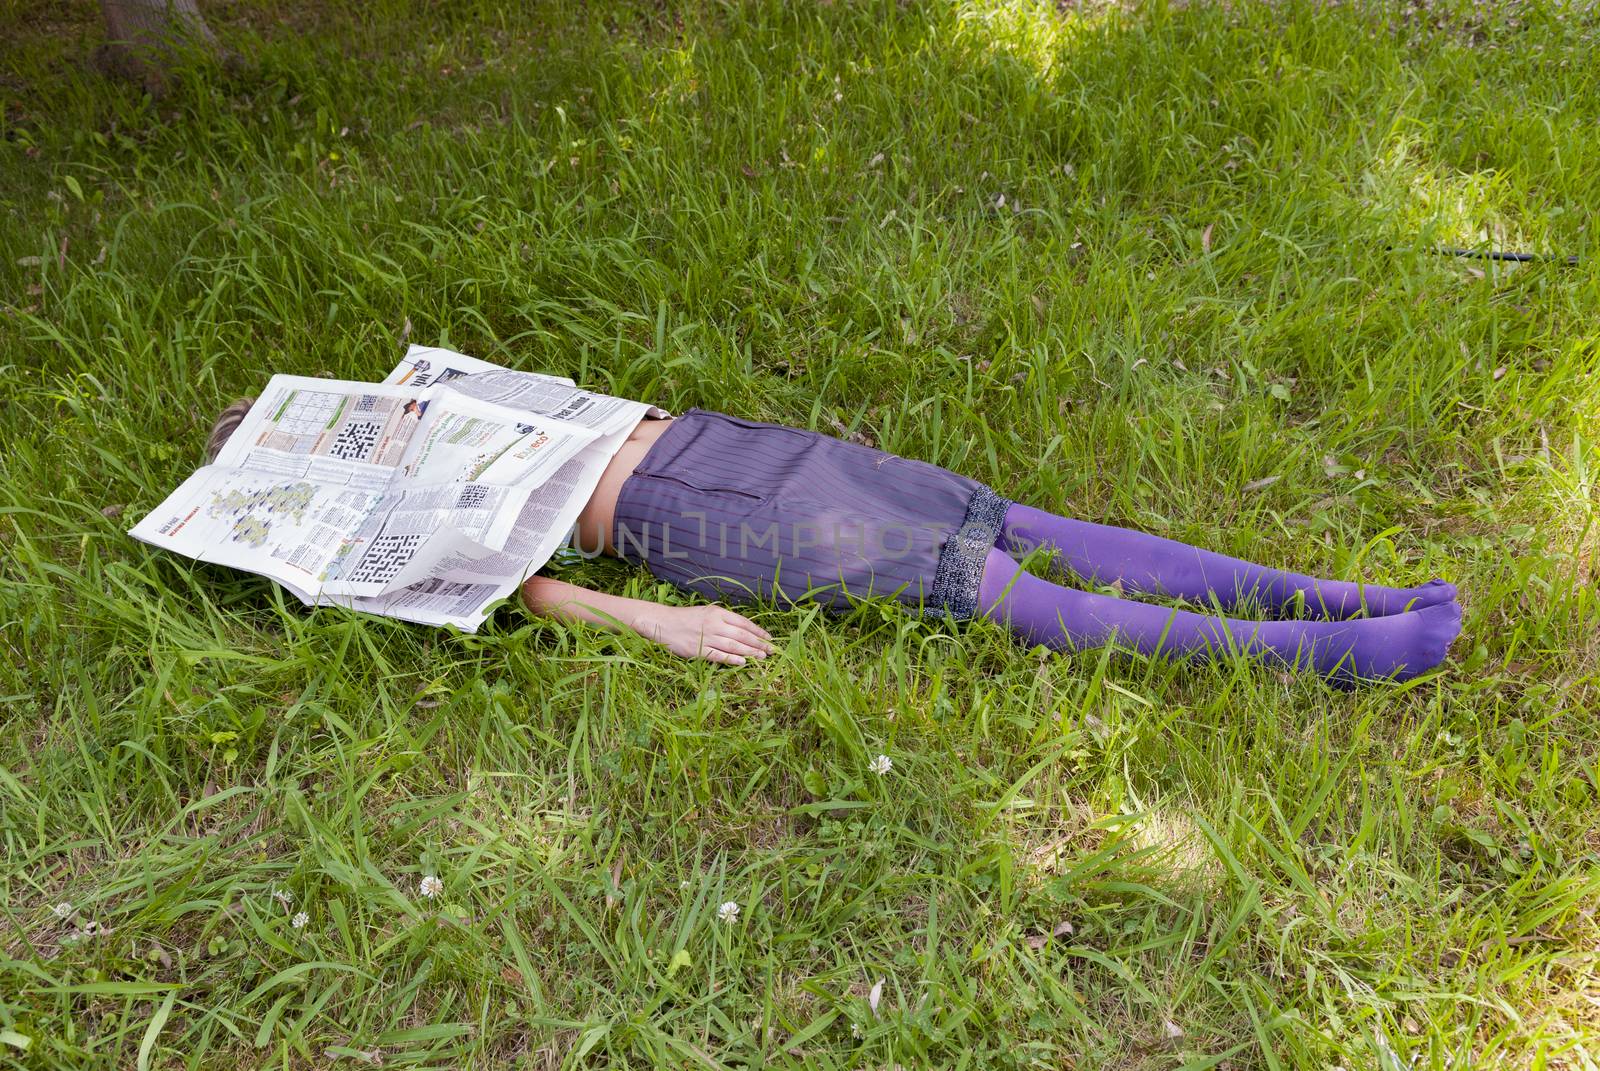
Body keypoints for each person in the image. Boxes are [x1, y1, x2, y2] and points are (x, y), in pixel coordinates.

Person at [205, 399, 1462, 682]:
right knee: (985, 581)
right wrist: (658, 621)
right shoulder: (362, 529)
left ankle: (1342, 596)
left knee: (1020, 518)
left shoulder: (423, 404)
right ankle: (1344, 654)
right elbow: (515, 589)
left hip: (722, 445)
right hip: (683, 520)